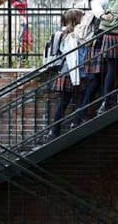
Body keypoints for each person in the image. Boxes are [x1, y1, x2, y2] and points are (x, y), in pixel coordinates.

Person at [48, 9, 83, 140]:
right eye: (81, 18)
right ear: (76, 20)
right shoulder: (71, 36)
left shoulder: (66, 34)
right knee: (70, 100)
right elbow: (72, 57)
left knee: (66, 102)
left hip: (66, 71)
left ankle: (55, 130)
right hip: (70, 72)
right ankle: (73, 123)